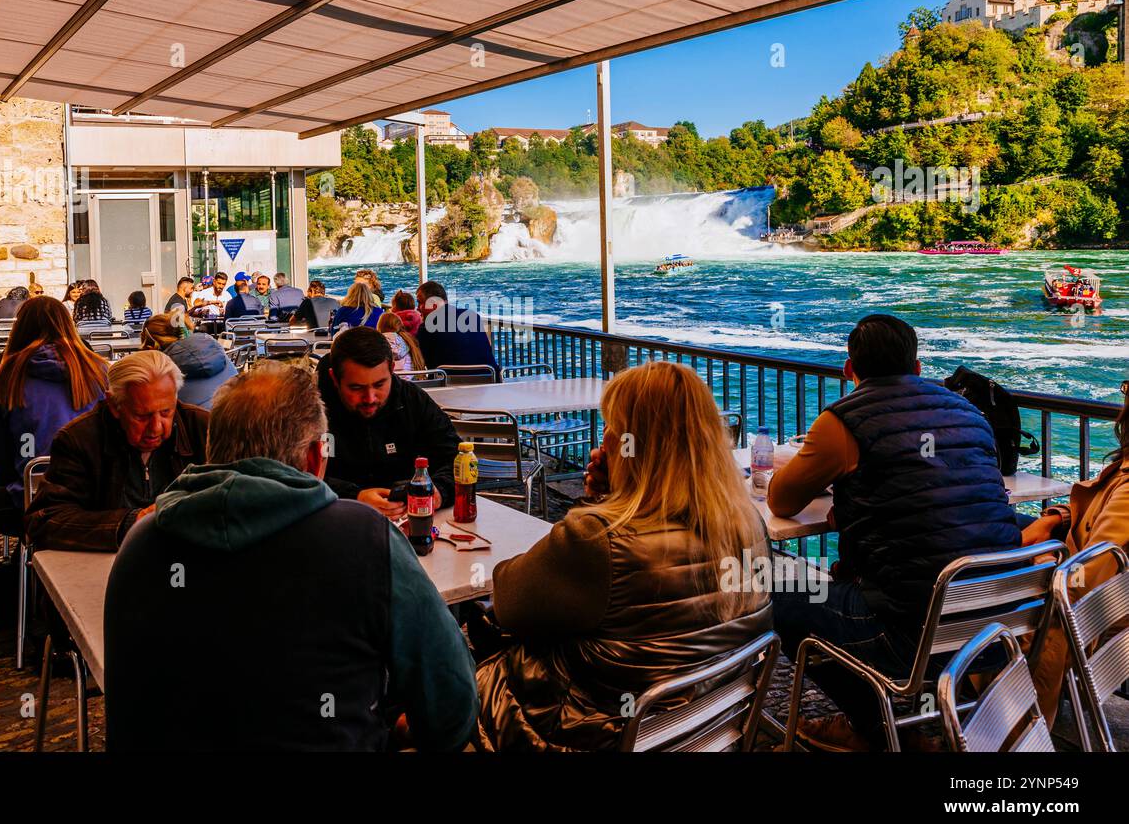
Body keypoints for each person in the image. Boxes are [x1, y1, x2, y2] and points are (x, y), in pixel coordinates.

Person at [104, 364, 478, 751]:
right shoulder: (362, 538)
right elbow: (451, 706)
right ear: (318, 456)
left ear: (213, 447)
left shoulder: (142, 544)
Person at [473, 362, 773, 751]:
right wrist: (608, 502)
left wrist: (591, 508)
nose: (606, 438)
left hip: (593, 734)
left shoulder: (599, 539)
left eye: (611, 426)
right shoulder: (747, 524)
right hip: (706, 727)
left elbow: (510, 603)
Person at [768, 314, 1021, 751]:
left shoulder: (843, 420)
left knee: (775, 586)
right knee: (862, 581)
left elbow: (781, 503)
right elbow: (943, 492)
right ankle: (922, 719)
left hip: (909, 631)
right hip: (995, 622)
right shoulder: (971, 414)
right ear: (918, 367)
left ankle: (878, 732)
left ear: (849, 370)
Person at [0, 298, 108, 635]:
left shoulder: (10, 374)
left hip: (36, 501)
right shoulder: (100, 371)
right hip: (98, 499)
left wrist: (17, 477)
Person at [24, 351, 209, 551]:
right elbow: (46, 520)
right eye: (141, 416)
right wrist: (130, 523)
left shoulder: (203, 428)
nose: (156, 427)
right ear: (114, 405)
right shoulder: (80, 439)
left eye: (166, 412)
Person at [1024, 380, 1129, 724]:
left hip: (1080, 622)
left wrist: (1041, 561)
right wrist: (1058, 518)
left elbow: (1085, 578)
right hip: (1088, 603)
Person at [316, 326, 459, 516]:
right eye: (356, 388)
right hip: (334, 524)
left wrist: (438, 492)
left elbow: (457, 460)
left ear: (392, 369)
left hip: (413, 522)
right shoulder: (311, 410)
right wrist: (354, 497)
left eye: (379, 384)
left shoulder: (412, 400)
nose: (370, 398)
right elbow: (293, 476)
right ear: (335, 378)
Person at [140, 313, 238, 409]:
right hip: (242, 415)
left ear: (150, 349)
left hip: (207, 423)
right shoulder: (213, 348)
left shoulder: (163, 377)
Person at [414, 280, 500, 376]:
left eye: (419, 302)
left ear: (433, 304)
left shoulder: (427, 327)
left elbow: (425, 364)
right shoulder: (471, 316)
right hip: (490, 379)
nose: (417, 308)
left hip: (449, 385)